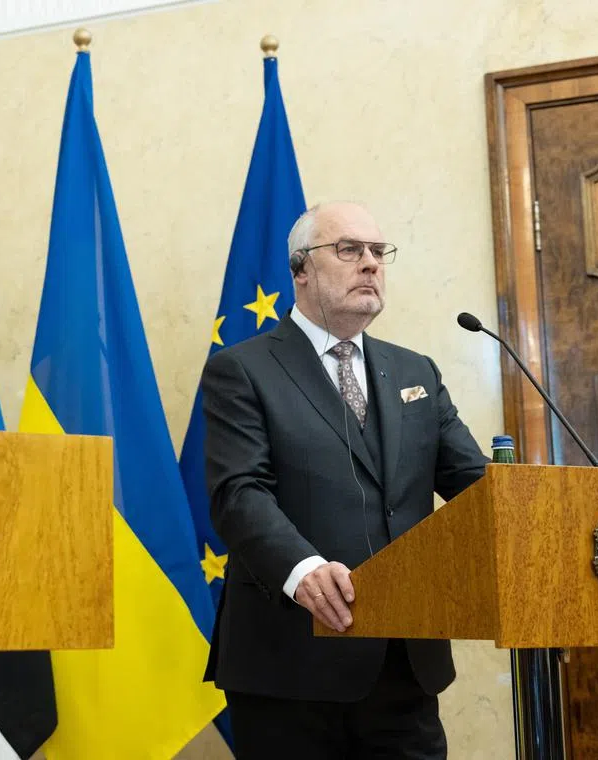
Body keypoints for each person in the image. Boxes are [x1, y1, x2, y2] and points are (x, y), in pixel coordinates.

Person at [200, 201, 489, 759]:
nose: (371, 265)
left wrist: (535, 504)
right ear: (301, 268)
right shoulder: (243, 369)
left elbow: (476, 487)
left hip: (406, 664)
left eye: (379, 252)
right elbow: (239, 493)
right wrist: (301, 568)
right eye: (350, 250)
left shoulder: (415, 371)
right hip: (292, 662)